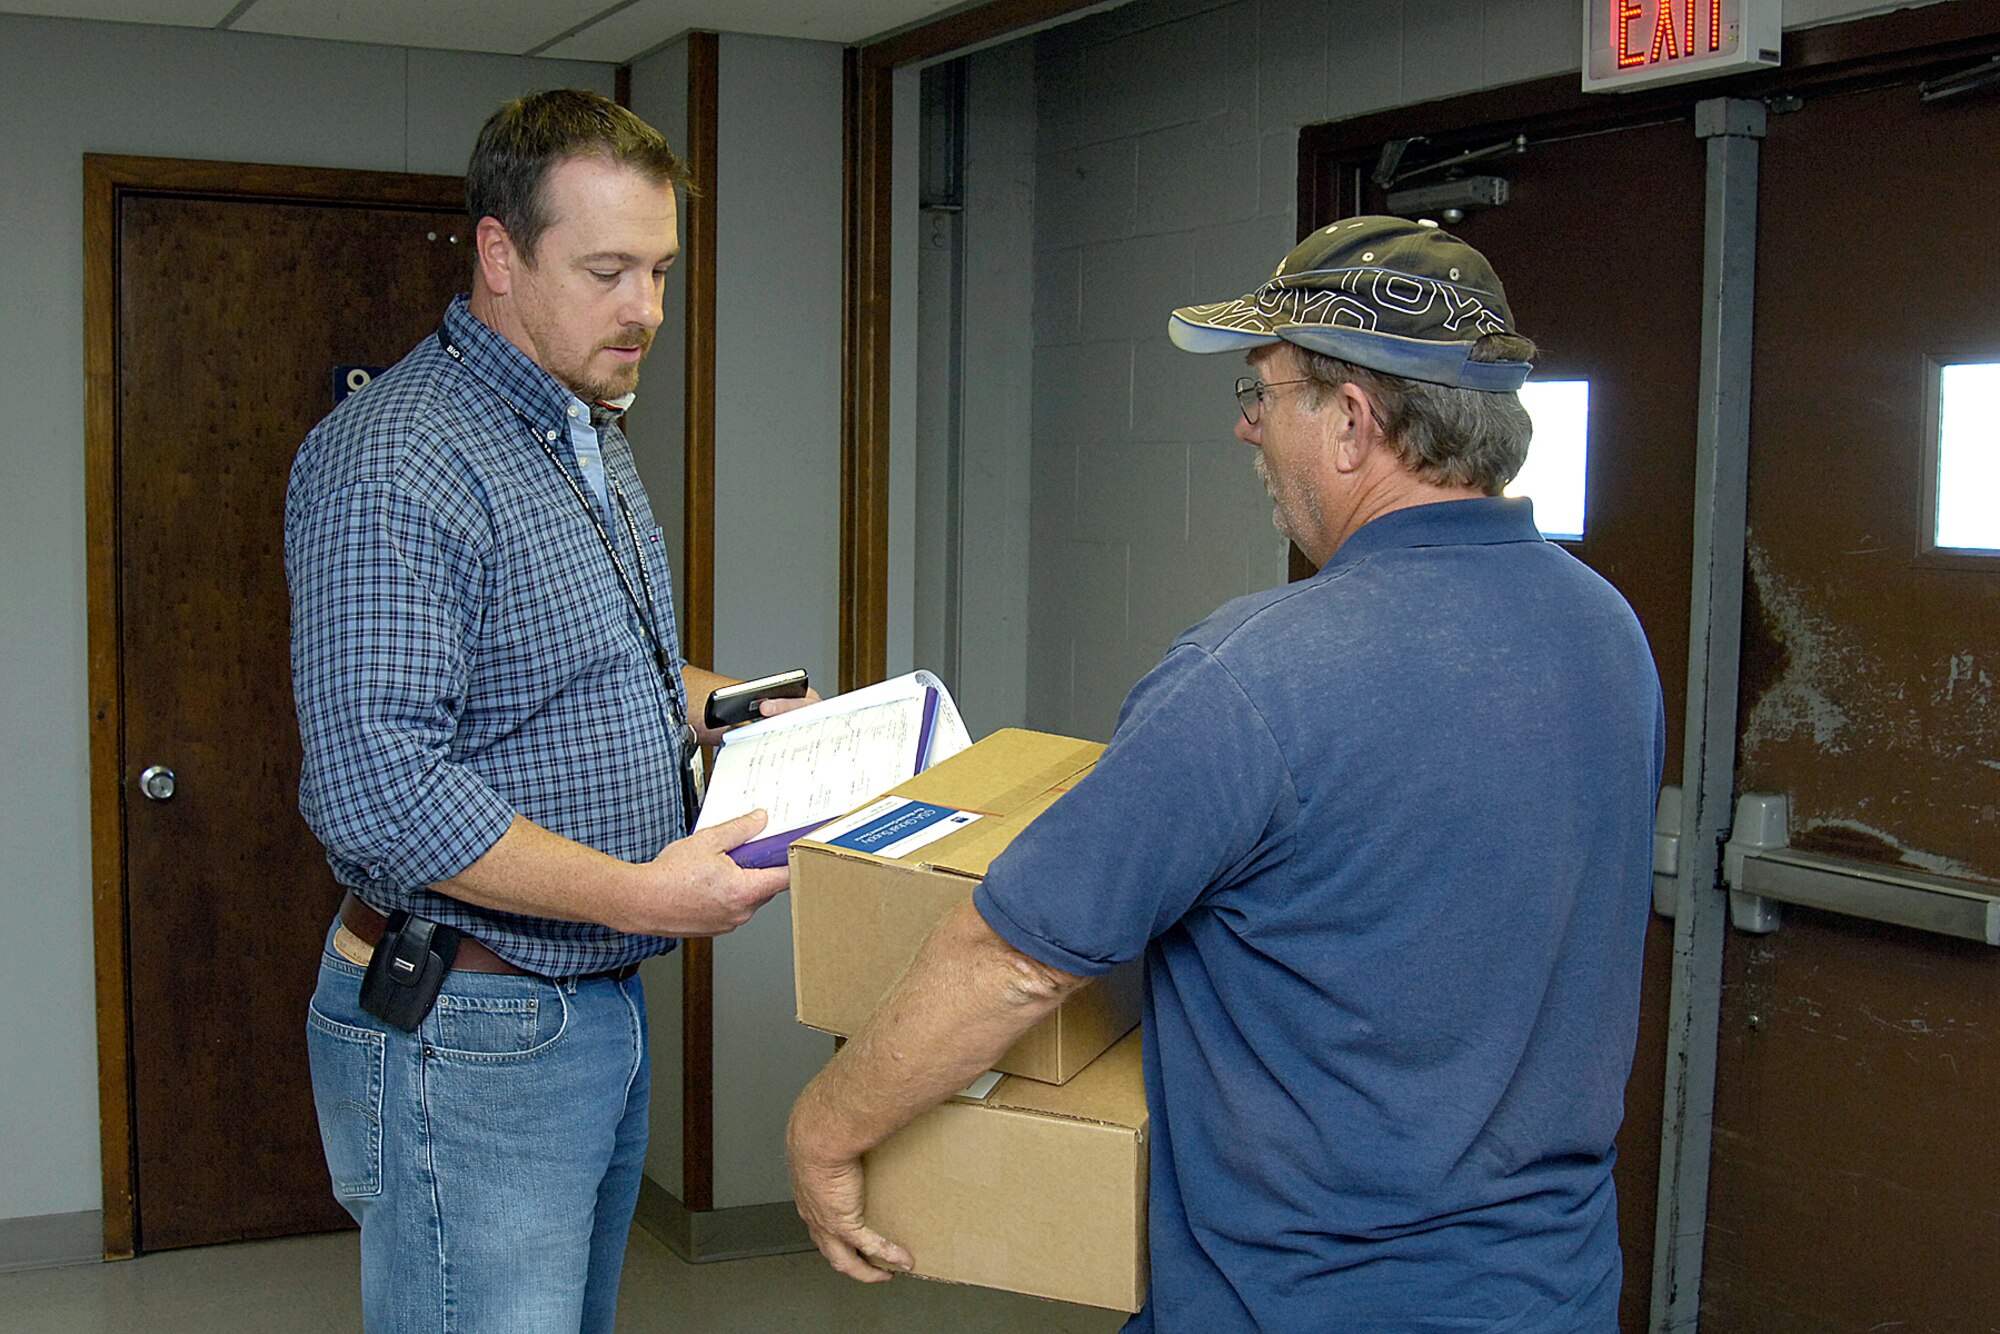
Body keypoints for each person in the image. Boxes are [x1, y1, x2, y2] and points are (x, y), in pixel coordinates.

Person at [787, 217, 1665, 1331]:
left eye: (1264, 390)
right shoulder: (1605, 631)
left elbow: (1011, 960)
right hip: (1552, 1290)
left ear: (1350, 421)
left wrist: (823, 1129)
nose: (1246, 428)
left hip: (1296, 1302)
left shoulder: (1254, 674)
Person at [287, 89, 809, 1333]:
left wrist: (735, 711)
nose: (647, 311)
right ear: (498, 254)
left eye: (663, 269)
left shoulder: (580, 425)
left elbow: (598, 669)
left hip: (580, 1004)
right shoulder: (400, 458)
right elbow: (381, 786)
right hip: (472, 1022)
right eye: (609, 270)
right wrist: (648, 894)